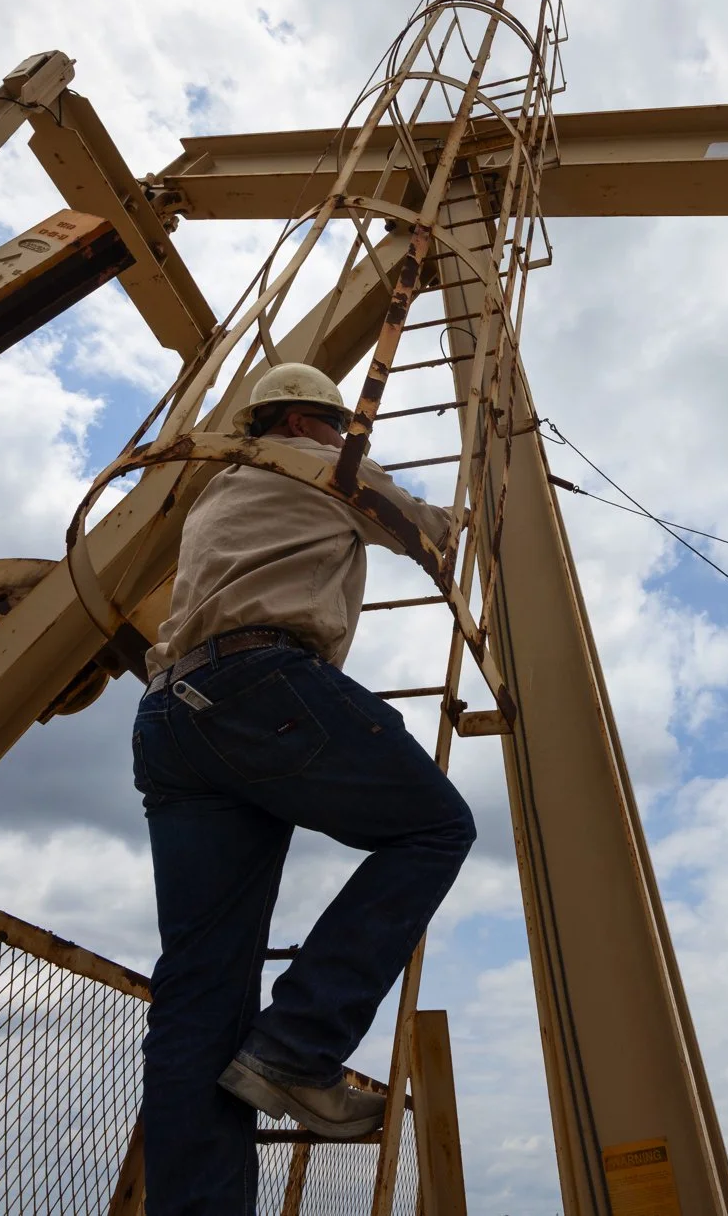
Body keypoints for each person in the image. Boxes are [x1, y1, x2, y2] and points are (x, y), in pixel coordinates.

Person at [130, 361, 475, 1215]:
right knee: (434, 827)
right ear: (311, 422)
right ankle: (297, 1046)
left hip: (171, 717)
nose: (349, 442)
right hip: (259, 687)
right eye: (343, 430)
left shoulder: (216, 493)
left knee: (200, 990)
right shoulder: (321, 466)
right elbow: (434, 534)